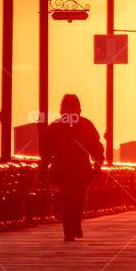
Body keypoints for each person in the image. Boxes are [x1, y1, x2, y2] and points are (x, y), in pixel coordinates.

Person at [39, 94, 104, 241]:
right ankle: (72, 227)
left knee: (68, 199)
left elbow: (46, 150)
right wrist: (98, 165)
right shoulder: (86, 125)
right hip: (79, 169)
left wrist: (43, 169)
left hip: (63, 169)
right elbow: (97, 148)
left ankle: (71, 228)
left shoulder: (55, 127)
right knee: (78, 199)